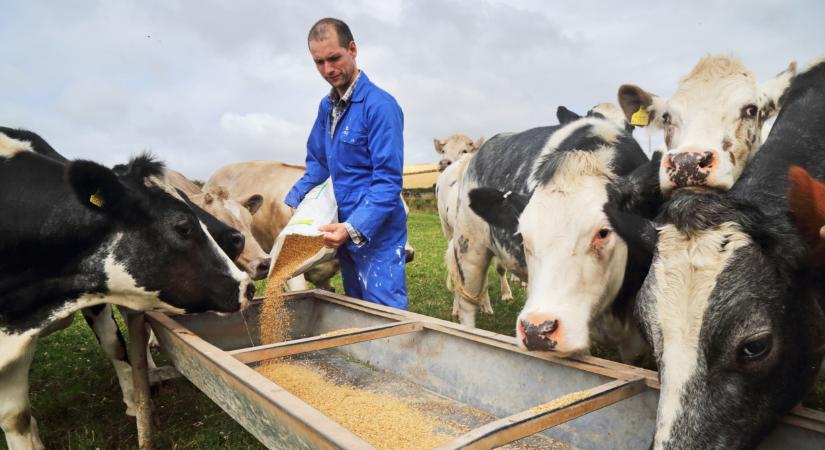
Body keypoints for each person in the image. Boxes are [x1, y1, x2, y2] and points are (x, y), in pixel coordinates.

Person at [284, 17, 408, 310]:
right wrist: (297, 197)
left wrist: (354, 227)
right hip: (341, 226)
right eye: (319, 62)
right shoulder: (327, 107)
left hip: (375, 230)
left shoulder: (380, 107)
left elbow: (388, 181)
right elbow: (319, 163)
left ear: (352, 49)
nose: (328, 70)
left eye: (334, 58)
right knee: (355, 307)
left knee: (383, 311)